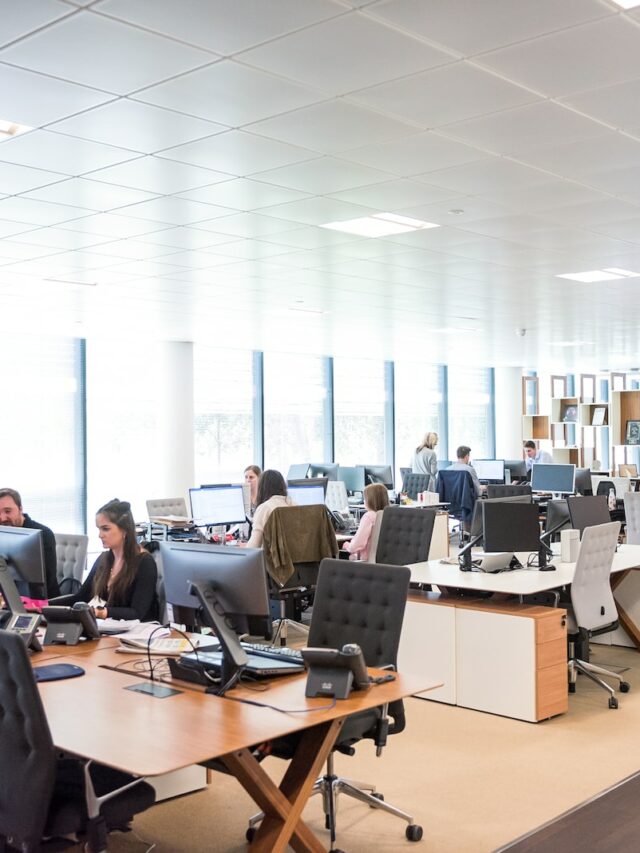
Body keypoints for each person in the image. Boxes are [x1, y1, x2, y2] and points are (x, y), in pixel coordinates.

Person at [58, 498, 158, 622]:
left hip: (138, 633)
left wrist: (99, 612)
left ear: (124, 530)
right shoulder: (104, 559)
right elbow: (80, 597)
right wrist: (42, 605)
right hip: (110, 629)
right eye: (99, 529)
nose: (100, 535)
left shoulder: (144, 562)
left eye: (105, 529)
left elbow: (137, 613)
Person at [0, 487, 60, 598]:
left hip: (43, 603)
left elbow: (47, 579)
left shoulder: (43, 534)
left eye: (8, 511)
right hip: (8, 599)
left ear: (20, 509)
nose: (2, 518)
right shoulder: (2, 533)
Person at [244, 470, 296, 549]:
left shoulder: (265, 508)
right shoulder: (294, 504)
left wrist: (244, 548)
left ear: (262, 487)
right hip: (295, 558)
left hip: (271, 559)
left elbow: (253, 546)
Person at [342, 483, 389, 561]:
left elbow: (355, 546)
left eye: (365, 499)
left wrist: (346, 545)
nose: (364, 501)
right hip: (383, 561)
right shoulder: (389, 515)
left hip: (365, 562)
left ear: (370, 500)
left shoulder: (369, 516)